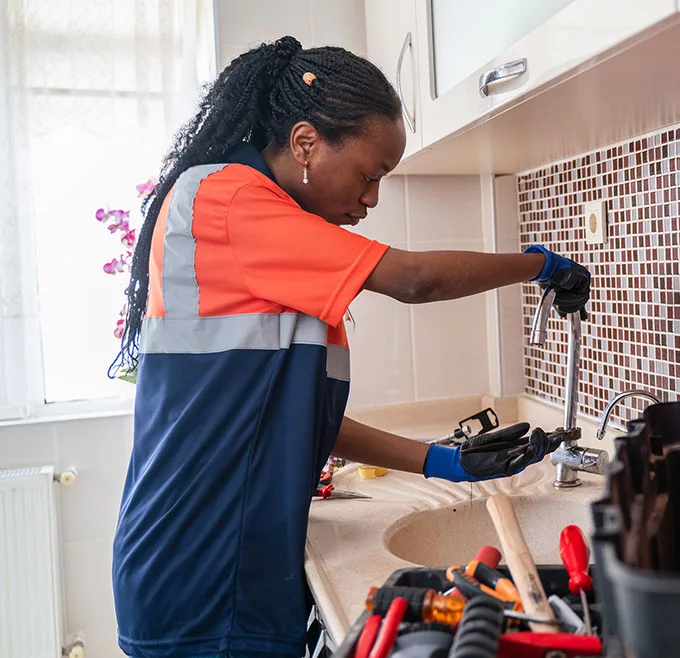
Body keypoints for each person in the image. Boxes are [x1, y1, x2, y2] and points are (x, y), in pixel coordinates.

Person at [110, 36, 589, 658]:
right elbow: (414, 280)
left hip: (220, 557)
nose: (371, 198)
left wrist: (444, 463)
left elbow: (293, 416)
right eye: (369, 174)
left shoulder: (259, 229)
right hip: (204, 568)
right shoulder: (228, 200)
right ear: (306, 142)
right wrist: (539, 265)